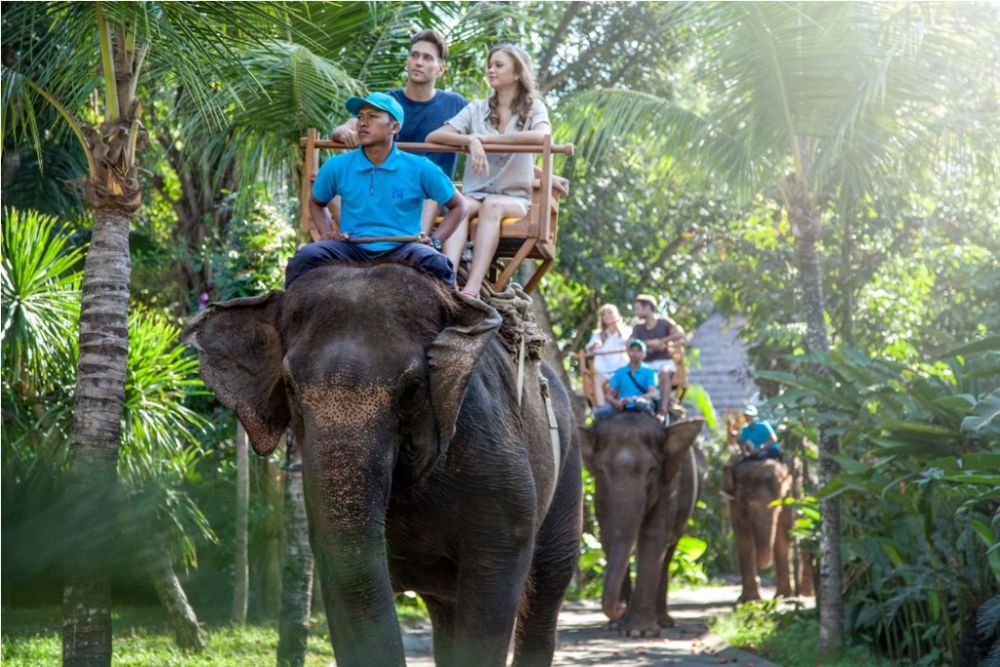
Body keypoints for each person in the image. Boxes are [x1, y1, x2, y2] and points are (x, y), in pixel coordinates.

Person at [285, 92, 466, 288]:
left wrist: (436, 241)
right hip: (351, 247)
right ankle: (283, 315)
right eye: (360, 117)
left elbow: (459, 206)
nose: (363, 123)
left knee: (439, 264)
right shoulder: (337, 165)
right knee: (304, 257)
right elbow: (316, 202)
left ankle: (458, 316)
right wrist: (327, 232)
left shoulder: (420, 167)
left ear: (394, 127)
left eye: (372, 117)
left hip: (404, 248)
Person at [426, 44, 566, 297]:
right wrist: (470, 140)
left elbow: (543, 136)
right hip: (474, 193)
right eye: (489, 65)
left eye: (498, 65)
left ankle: (472, 288)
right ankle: (447, 279)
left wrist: (487, 140)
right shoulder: (477, 108)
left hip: (512, 198)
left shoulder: (534, 108)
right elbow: (435, 136)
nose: (491, 70)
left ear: (516, 73)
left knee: (492, 205)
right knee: (462, 206)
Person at [330, 30, 467, 234]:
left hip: (431, 193)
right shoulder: (388, 102)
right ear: (407, 60)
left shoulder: (456, 104)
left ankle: (416, 246)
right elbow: (345, 127)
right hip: (384, 186)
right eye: (414, 55)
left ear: (441, 68)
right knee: (328, 185)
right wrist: (342, 132)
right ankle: (356, 240)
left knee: (427, 190)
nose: (418, 62)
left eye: (427, 57)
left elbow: (487, 133)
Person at [630, 293, 686, 417]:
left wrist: (662, 341)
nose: (636, 312)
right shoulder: (638, 328)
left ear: (648, 308)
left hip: (664, 361)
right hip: (645, 365)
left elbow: (680, 334)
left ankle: (663, 409)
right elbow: (630, 343)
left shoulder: (664, 323)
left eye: (638, 308)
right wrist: (648, 343)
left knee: (665, 373)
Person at [594, 340, 659, 419]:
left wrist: (634, 399)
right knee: (601, 412)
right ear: (628, 352)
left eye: (639, 351)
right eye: (632, 350)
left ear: (644, 354)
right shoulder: (620, 372)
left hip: (640, 403)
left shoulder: (649, 372)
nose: (635, 353)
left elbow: (653, 393)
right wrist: (616, 402)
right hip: (623, 405)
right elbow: (609, 395)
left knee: (642, 406)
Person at [585, 304, 629, 407]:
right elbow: (589, 350)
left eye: (610, 313)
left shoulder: (626, 331)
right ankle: (602, 408)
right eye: (604, 314)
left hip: (622, 368)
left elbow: (629, 344)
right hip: (604, 370)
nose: (607, 316)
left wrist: (618, 329)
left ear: (617, 315)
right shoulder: (597, 334)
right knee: (597, 379)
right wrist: (594, 346)